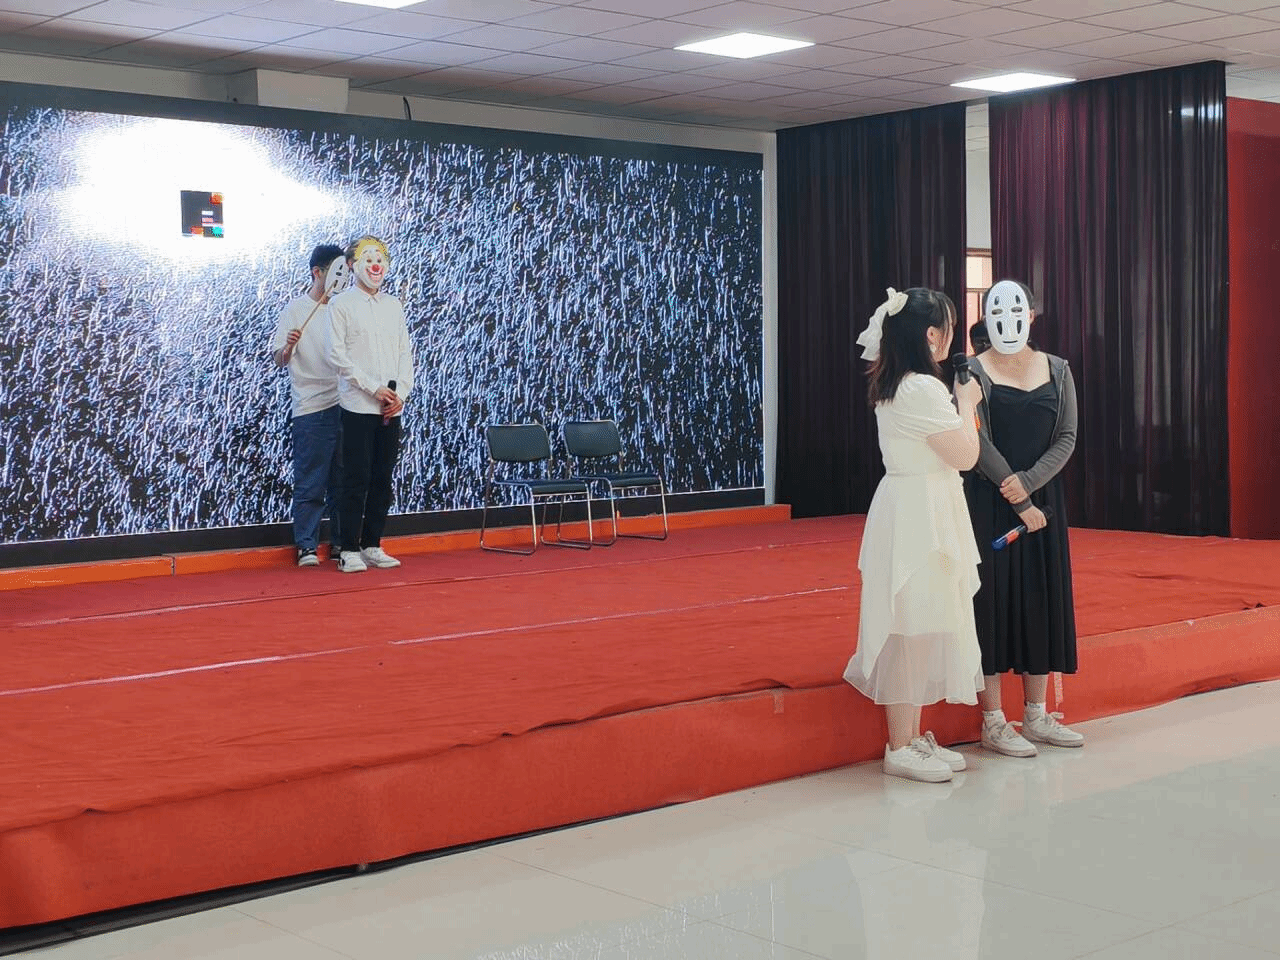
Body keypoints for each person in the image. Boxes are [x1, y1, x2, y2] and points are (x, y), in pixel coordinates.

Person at [844, 287, 986, 783]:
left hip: (919, 506)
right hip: (919, 512)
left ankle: (910, 737)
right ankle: (900, 745)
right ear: (930, 335)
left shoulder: (899, 383)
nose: (952, 336)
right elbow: (966, 455)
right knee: (910, 627)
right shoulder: (921, 388)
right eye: (948, 327)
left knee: (919, 621)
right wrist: (966, 403)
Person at [963, 280, 1082, 756]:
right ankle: (992, 720)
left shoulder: (1058, 369)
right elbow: (977, 440)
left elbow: (1067, 436)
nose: (1008, 320)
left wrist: (1029, 483)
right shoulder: (972, 371)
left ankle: (1035, 714)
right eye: (997, 311)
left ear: (1032, 314)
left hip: (1042, 502)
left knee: (1040, 596)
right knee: (990, 604)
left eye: (1017, 311)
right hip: (990, 500)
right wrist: (1015, 493)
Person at [328, 235, 414, 574]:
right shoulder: (341, 304)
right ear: (353, 266)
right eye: (368, 259)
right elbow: (337, 356)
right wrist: (372, 388)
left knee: (383, 478)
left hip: (391, 408)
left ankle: (372, 544)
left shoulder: (394, 306)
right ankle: (348, 548)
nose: (375, 265)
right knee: (356, 478)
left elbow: (404, 353)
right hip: (358, 406)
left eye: (381, 259)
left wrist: (400, 393)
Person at [271, 244, 346, 567]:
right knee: (311, 481)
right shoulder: (296, 310)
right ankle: (306, 546)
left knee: (344, 482)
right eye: (336, 271)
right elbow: (279, 359)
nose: (343, 278)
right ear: (318, 272)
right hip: (311, 409)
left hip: (346, 405)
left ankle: (343, 544)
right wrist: (289, 346)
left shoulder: (344, 309)